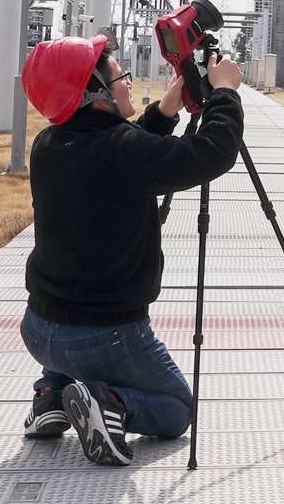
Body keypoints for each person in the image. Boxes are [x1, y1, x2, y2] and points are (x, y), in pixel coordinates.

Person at [18, 34, 244, 466]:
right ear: (96, 95)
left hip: (38, 330)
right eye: (120, 76)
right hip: (103, 337)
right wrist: (226, 95)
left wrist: (162, 113)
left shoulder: (49, 143)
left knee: (71, 325)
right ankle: (111, 405)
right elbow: (209, 154)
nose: (127, 83)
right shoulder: (121, 152)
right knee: (178, 409)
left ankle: (52, 395)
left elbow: (118, 159)